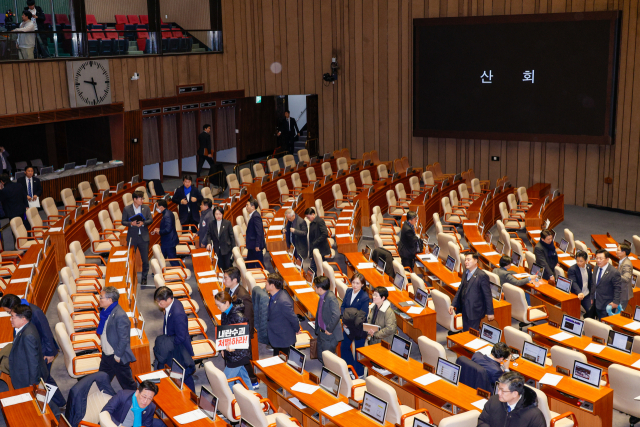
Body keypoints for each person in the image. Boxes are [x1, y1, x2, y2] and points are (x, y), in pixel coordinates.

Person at [9, 305, 66, 408]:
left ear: (23, 319)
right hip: (29, 372)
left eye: (13, 317)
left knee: (36, 403)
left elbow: (33, 361)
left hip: (27, 378)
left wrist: (32, 383)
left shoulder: (28, 335)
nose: (10, 319)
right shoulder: (28, 326)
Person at [153, 287, 194, 391]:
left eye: (160, 302)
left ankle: (192, 397)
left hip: (179, 348)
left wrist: (167, 345)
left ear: (168, 299)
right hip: (173, 342)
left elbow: (180, 336)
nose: (159, 305)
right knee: (178, 373)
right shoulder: (172, 305)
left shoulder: (177, 313)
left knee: (183, 374)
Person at [1, 294, 57, 370]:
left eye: (9, 312)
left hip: (43, 351)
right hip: (32, 350)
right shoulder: (18, 314)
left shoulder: (35, 312)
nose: (10, 315)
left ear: (14, 307)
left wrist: (49, 353)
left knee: (45, 377)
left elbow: (46, 332)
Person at [223, 267, 258, 388]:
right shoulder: (228, 289)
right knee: (241, 364)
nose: (223, 280)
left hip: (242, 334)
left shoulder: (243, 296)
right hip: (232, 329)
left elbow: (247, 319)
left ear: (234, 280)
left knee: (243, 359)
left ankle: (253, 381)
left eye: (225, 278)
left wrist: (241, 340)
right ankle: (249, 383)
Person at [97, 286, 137, 390]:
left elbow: (124, 339)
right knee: (101, 379)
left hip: (116, 356)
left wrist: (117, 356)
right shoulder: (105, 311)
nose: (99, 299)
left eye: (101, 297)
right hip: (106, 353)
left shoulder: (120, 315)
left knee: (127, 384)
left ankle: (134, 401)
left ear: (110, 300)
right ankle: (101, 395)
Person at [214, 292, 253, 391]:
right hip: (231, 353)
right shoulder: (225, 313)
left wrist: (235, 348)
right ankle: (254, 400)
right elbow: (224, 332)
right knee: (244, 380)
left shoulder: (239, 317)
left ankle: (232, 403)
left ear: (227, 303)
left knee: (225, 383)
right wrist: (223, 348)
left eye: (219, 305)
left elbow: (246, 338)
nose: (218, 308)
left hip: (239, 354)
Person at [478, 371, 545, 427]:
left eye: (502, 391)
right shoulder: (493, 401)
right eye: (499, 388)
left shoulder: (534, 416)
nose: (498, 393)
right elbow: (482, 421)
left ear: (515, 394)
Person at [449, 253, 494, 332]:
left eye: (468, 260)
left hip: (475, 310)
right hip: (464, 307)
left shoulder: (482, 276)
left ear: (475, 261)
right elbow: (460, 288)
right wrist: (453, 304)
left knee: (472, 333)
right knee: (466, 331)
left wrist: (490, 312)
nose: (466, 262)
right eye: (465, 260)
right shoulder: (466, 272)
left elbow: (488, 295)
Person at [340, 272, 370, 376]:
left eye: (357, 283)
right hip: (347, 326)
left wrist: (348, 322)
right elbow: (343, 306)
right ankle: (350, 368)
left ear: (362, 284)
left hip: (358, 329)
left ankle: (359, 374)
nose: (355, 285)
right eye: (353, 282)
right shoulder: (348, 291)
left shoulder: (365, 297)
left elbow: (362, 316)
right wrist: (345, 320)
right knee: (344, 347)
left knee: (358, 352)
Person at [122, 191, 153, 285]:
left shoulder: (146, 208)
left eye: (143, 198)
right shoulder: (127, 209)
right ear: (135, 199)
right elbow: (123, 222)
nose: (142, 200)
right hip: (132, 237)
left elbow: (150, 220)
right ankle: (131, 277)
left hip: (143, 237)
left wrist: (143, 223)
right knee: (131, 259)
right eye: (141, 198)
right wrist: (131, 223)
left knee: (145, 260)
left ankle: (144, 278)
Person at [265, 272, 299, 357]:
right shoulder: (274, 296)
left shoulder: (283, 301)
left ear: (272, 286)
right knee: (277, 361)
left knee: (285, 364)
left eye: (266, 282)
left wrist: (297, 329)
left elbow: (293, 318)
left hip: (284, 340)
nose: (265, 284)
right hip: (276, 336)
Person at [313, 276, 343, 364]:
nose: (314, 288)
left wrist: (329, 329)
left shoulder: (331, 298)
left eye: (315, 286)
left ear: (320, 288)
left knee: (328, 360)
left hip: (329, 335)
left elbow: (337, 314)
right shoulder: (322, 296)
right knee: (320, 356)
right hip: (321, 332)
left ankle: (328, 376)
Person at [590, 248, 622, 320]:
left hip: (607, 304)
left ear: (607, 259)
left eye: (601, 258)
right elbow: (593, 283)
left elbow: (618, 288)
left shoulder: (614, 272)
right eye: (597, 258)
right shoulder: (596, 268)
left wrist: (615, 302)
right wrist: (592, 297)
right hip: (596, 301)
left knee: (605, 324)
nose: (598, 260)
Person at [206, 206, 235, 270]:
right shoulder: (211, 224)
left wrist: (233, 249)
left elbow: (231, 236)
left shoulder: (227, 223)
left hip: (227, 249)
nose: (218, 216)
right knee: (219, 267)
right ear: (214, 215)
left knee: (227, 267)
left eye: (220, 214)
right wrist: (209, 243)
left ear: (222, 214)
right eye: (216, 214)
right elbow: (209, 234)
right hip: (217, 250)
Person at [153, 199, 179, 267]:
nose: (157, 208)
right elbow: (168, 226)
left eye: (157, 206)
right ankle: (157, 271)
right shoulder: (167, 212)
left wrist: (159, 231)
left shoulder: (167, 215)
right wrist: (160, 229)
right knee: (161, 256)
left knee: (173, 260)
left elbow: (168, 229)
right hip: (167, 240)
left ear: (161, 207)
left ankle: (181, 272)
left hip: (169, 241)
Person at [567, 250, 593, 314]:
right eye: (577, 261)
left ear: (586, 261)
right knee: (573, 313)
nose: (579, 263)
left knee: (591, 311)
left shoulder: (589, 267)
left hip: (586, 294)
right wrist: (579, 292)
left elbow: (591, 281)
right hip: (576, 295)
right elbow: (573, 282)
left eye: (581, 261)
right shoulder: (572, 269)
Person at [306, 207, 331, 273]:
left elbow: (325, 233)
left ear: (313, 214)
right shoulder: (312, 222)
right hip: (315, 246)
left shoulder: (320, 221)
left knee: (313, 266)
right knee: (321, 264)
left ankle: (310, 279)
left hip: (320, 247)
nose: (308, 219)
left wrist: (316, 242)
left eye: (308, 217)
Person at [245, 199, 265, 265]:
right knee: (251, 264)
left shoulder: (256, 216)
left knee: (260, 265)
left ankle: (265, 274)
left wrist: (257, 245)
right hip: (252, 245)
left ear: (253, 207)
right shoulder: (254, 215)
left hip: (255, 247)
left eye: (247, 205)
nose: (246, 207)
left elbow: (259, 232)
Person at [617, 243, 634, 312]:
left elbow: (626, 278)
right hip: (621, 291)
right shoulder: (622, 261)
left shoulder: (626, 264)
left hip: (623, 293)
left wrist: (615, 275)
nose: (616, 251)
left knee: (618, 313)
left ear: (623, 252)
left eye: (618, 250)